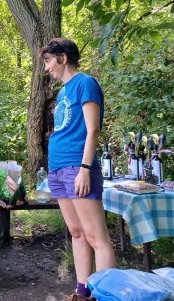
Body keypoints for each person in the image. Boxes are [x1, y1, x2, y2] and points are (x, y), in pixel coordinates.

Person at [41, 38, 116, 301]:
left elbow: (92, 129)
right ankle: (83, 292)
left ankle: (107, 295)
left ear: (62, 58)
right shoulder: (63, 92)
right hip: (58, 168)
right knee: (76, 232)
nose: (47, 68)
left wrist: (85, 168)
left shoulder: (85, 83)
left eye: (48, 61)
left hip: (77, 165)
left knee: (97, 237)